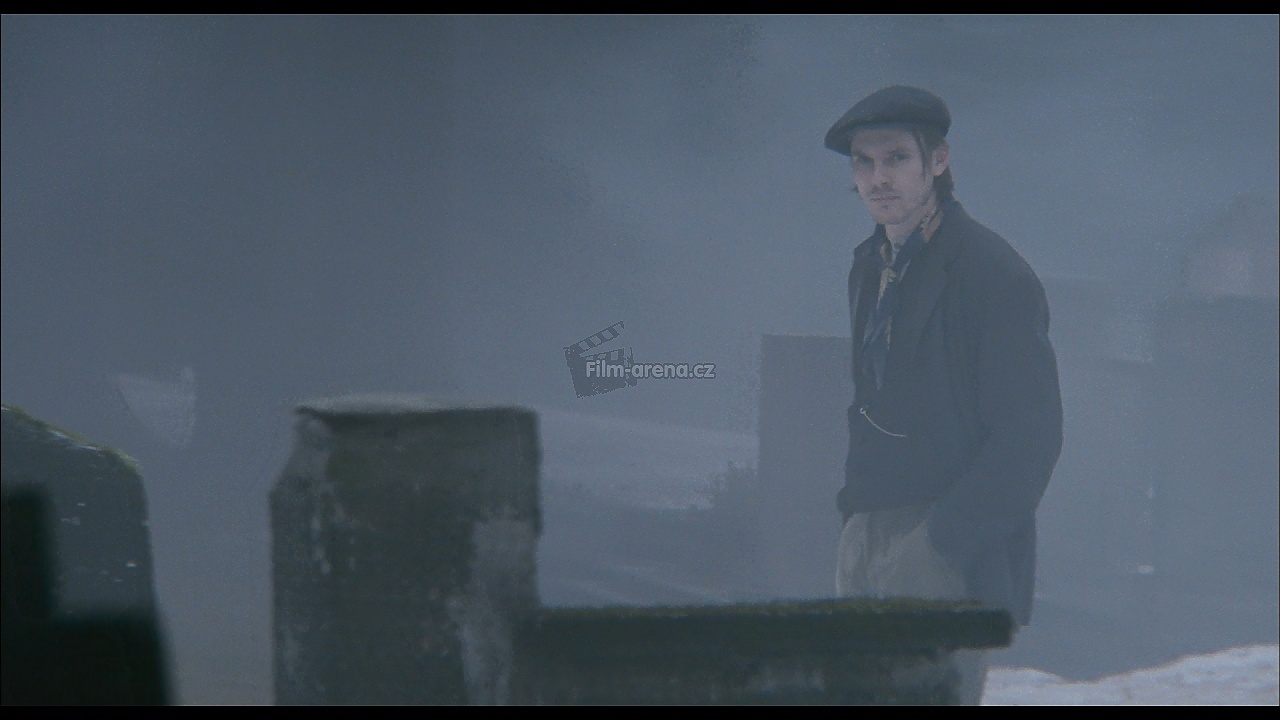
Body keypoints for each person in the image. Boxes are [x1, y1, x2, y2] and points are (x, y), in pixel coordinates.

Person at [824, 85, 1063, 704]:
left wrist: (941, 544)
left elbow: (1030, 438)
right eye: (863, 162)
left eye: (897, 158)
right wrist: (854, 523)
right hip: (866, 536)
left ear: (938, 160)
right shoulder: (870, 264)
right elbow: (871, 403)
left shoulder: (993, 274)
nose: (878, 178)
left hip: (946, 544)